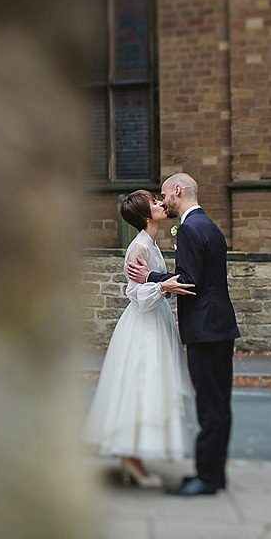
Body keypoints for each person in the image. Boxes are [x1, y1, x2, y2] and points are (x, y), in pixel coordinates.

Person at [127, 173, 240, 496]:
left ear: (178, 191)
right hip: (217, 327)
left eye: (165, 195)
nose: (163, 202)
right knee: (217, 403)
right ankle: (213, 474)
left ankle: (206, 477)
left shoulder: (190, 229)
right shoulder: (207, 225)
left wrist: (150, 276)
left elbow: (190, 282)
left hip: (206, 329)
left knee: (210, 406)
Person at [81, 190, 197, 488]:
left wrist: (162, 285)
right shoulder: (138, 248)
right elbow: (135, 296)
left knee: (150, 389)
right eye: (155, 203)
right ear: (147, 215)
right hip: (143, 326)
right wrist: (162, 288)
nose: (162, 203)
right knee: (142, 386)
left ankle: (134, 459)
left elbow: (152, 286)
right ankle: (132, 460)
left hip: (156, 322)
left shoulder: (151, 243)